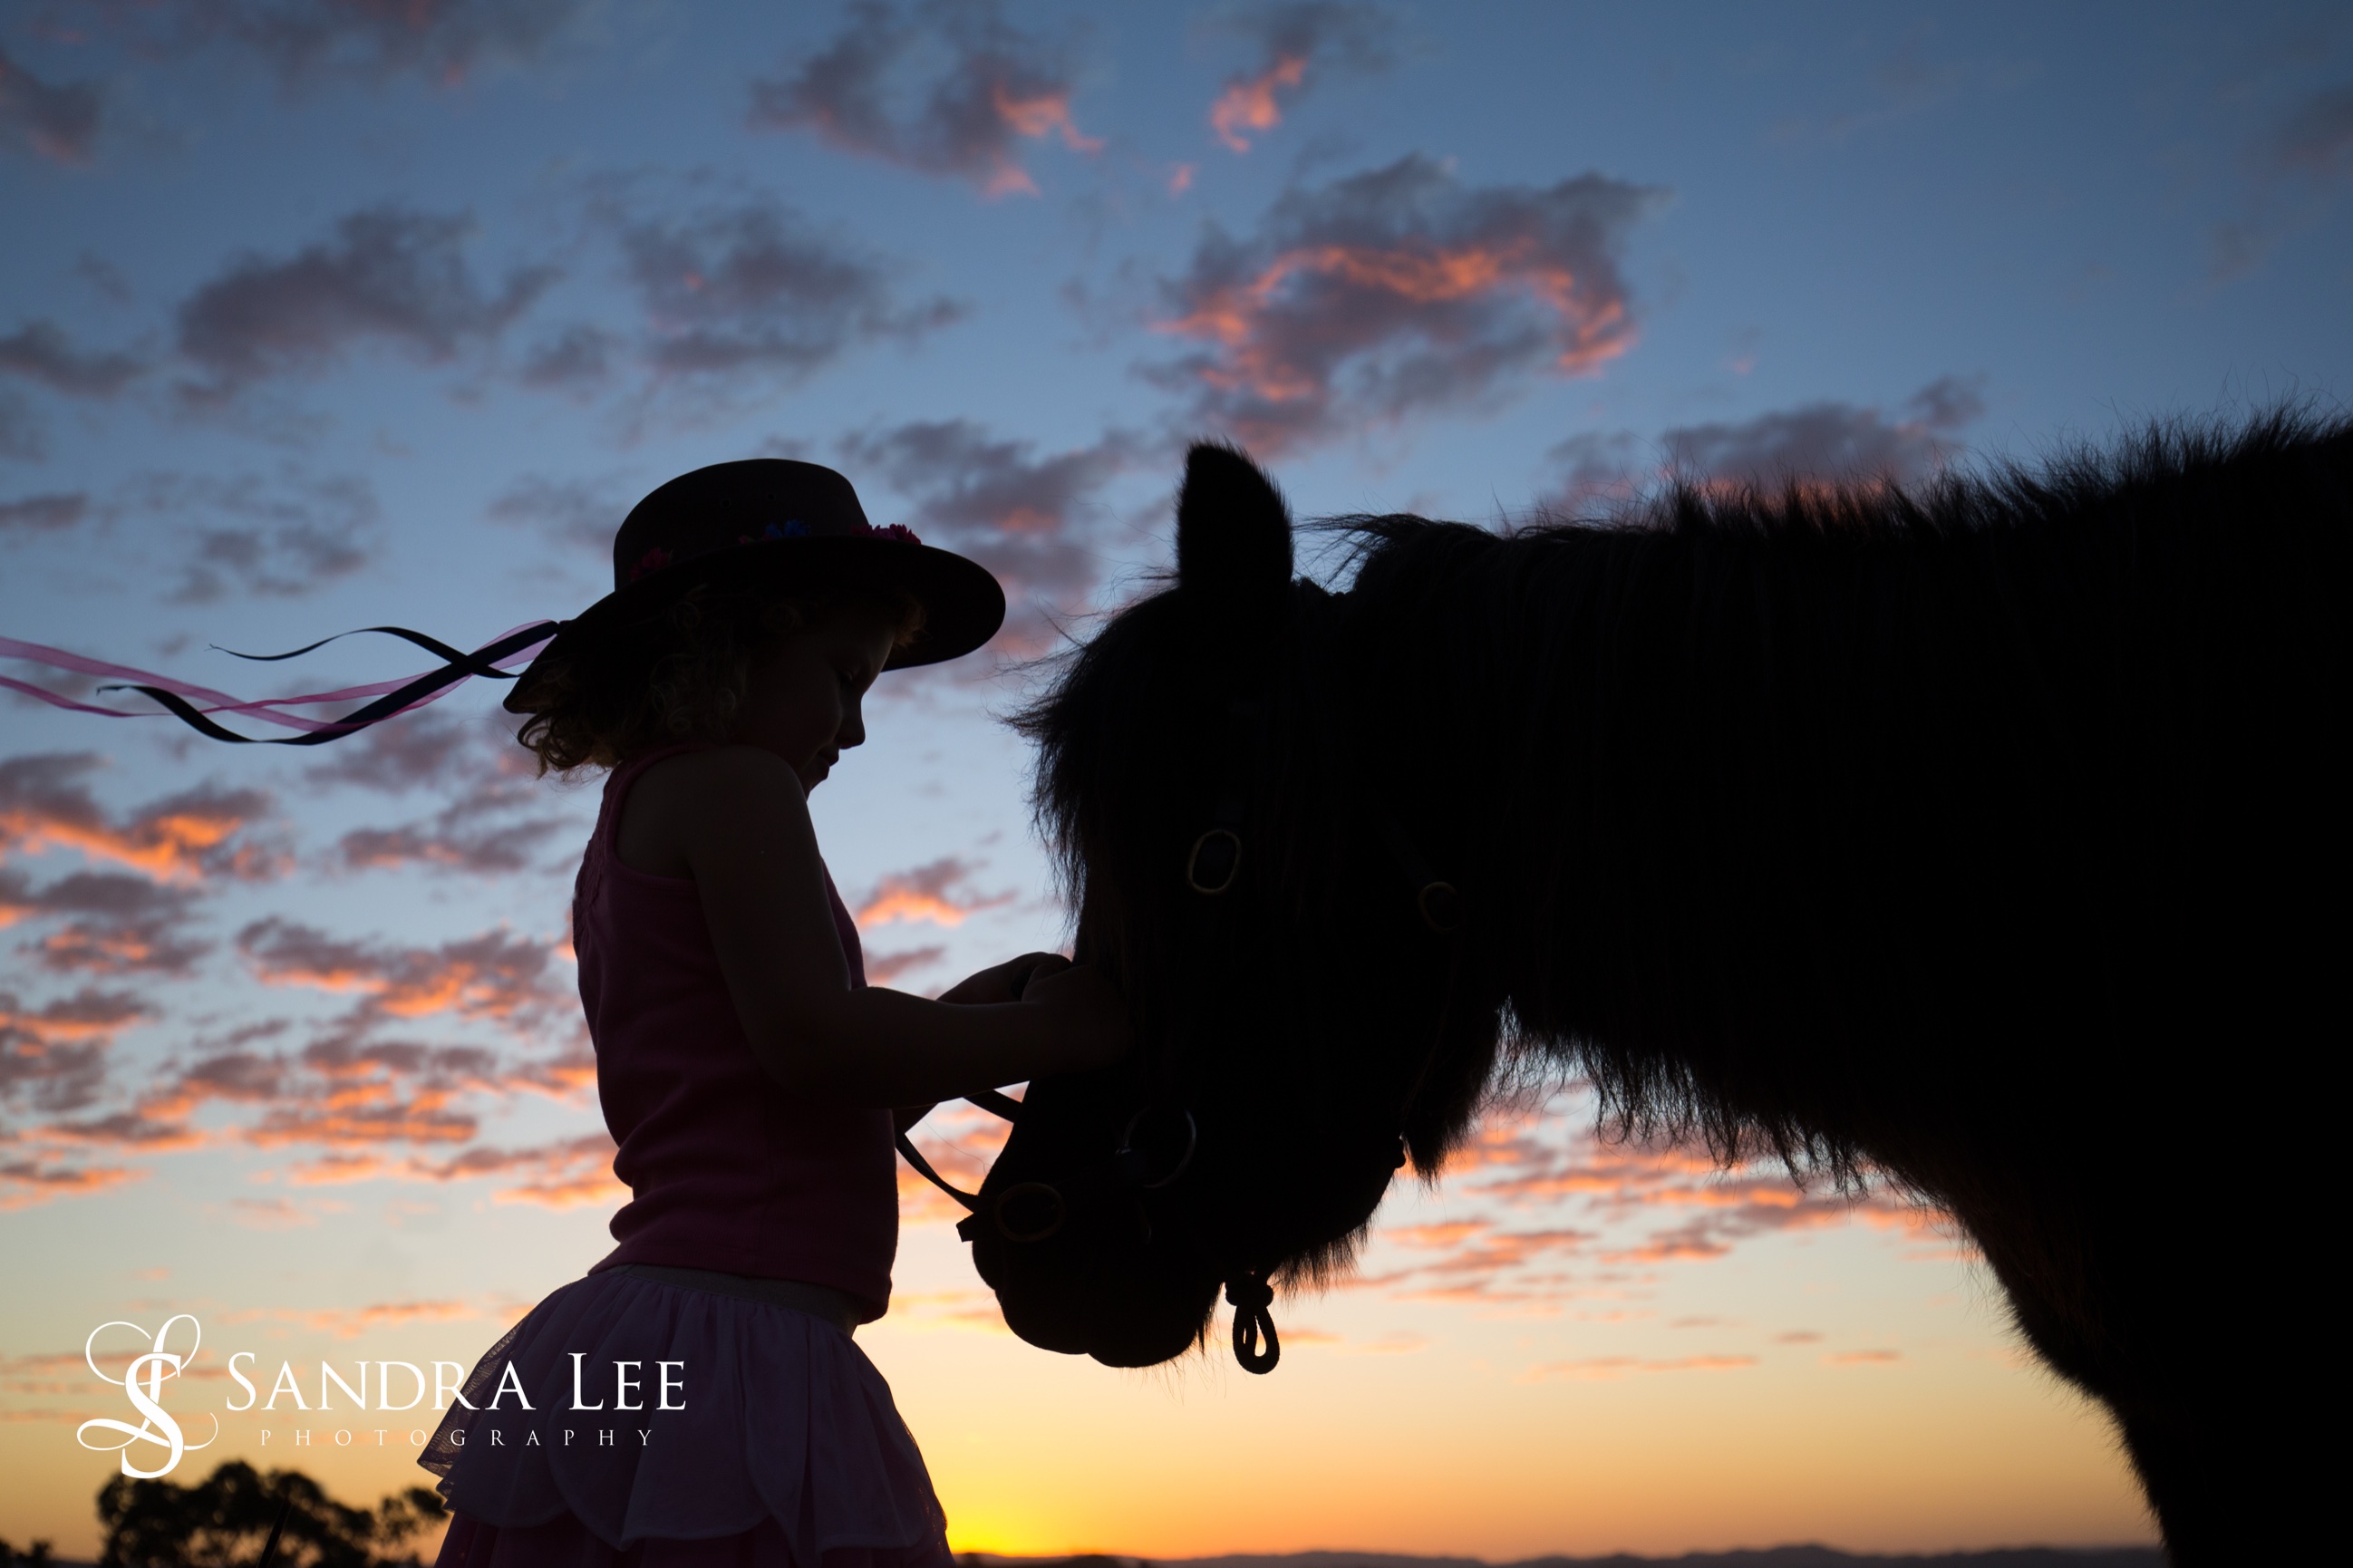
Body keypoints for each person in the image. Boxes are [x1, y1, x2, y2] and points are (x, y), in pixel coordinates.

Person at [417, 460, 1130, 1568]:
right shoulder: (734, 788)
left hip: (693, 1323)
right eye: (843, 676)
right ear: (726, 646)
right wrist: (1065, 1033)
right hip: (733, 1345)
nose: (851, 728)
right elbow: (819, 1044)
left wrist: (978, 1008)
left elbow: (797, 1073)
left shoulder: (645, 811)